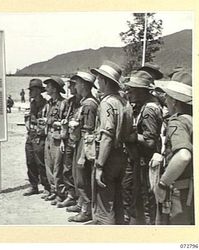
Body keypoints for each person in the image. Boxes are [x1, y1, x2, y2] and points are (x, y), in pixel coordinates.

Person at [90, 61, 133, 225]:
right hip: (123, 156)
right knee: (118, 204)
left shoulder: (107, 103)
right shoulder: (125, 102)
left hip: (108, 157)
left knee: (105, 205)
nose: (97, 82)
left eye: (99, 79)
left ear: (106, 81)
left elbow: (107, 136)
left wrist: (100, 166)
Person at [122, 71, 163, 225]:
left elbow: (150, 141)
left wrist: (130, 137)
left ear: (141, 90)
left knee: (146, 197)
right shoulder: (148, 105)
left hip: (147, 160)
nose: (128, 93)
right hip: (143, 159)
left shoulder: (149, 110)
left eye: (131, 90)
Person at [153, 71, 193, 225]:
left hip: (179, 192)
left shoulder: (177, 122)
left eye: (168, 97)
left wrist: (163, 184)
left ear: (175, 101)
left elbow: (183, 156)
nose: (166, 101)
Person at [66, 72, 99, 223]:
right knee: (77, 174)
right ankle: (81, 203)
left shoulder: (89, 104)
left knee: (82, 177)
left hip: (85, 145)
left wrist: (82, 155)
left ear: (84, 85)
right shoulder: (85, 102)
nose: (75, 86)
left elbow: (89, 131)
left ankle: (86, 211)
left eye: (77, 83)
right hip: (80, 142)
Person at [55, 74, 82, 208]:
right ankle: (71, 195)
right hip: (69, 140)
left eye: (72, 85)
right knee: (67, 169)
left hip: (80, 142)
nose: (69, 87)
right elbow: (64, 121)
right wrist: (62, 140)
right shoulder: (70, 102)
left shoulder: (86, 102)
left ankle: (81, 200)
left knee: (80, 173)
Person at [23, 79, 51, 196]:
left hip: (40, 135)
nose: (30, 92)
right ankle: (33, 185)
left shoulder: (46, 104)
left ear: (39, 91)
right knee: (30, 161)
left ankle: (46, 187)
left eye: (32, 90)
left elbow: (45, 122)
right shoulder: (32, 103)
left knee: (40, 162)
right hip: (31, 135)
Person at [42, 76, 67, 203]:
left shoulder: (63, 103)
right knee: (49, 165)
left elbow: (65, 123)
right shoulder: (48, 103)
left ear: (55, 88)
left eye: (48, 86)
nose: (46, 88)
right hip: (49, 136)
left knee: (58, 167)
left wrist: (62, 139)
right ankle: (53, 190)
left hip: (57, 138)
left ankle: (60, 193)